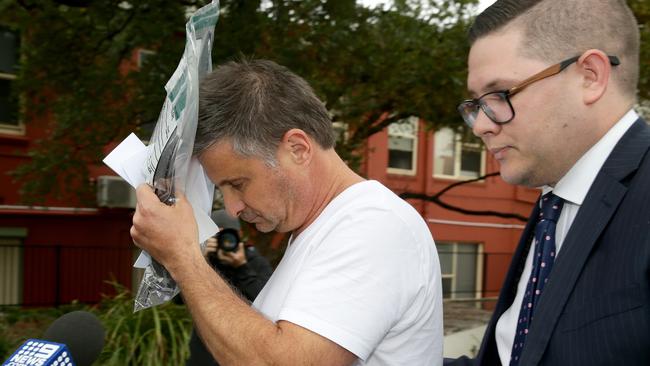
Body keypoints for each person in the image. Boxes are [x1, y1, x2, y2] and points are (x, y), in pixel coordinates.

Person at [131, 59, 443, 365]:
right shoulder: (323, 227)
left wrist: (183, 257)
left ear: (298, 148)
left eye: (238, 183)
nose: (232, 207)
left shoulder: (373, 225)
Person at [448, 0, 650, 365]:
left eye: (501, 95)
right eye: (476, 103)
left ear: (590, 76)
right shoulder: (552, 208)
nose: (481, 125)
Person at [186, 209, 273, 366]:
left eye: (228, 236)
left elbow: (266, 302)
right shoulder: (203, 262)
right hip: (203, 350)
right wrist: (201, 262)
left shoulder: (254, 262)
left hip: (242, 348)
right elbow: (180, 299)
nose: (223, 242)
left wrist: (242, 267)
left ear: (239, 235)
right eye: (218, 236)